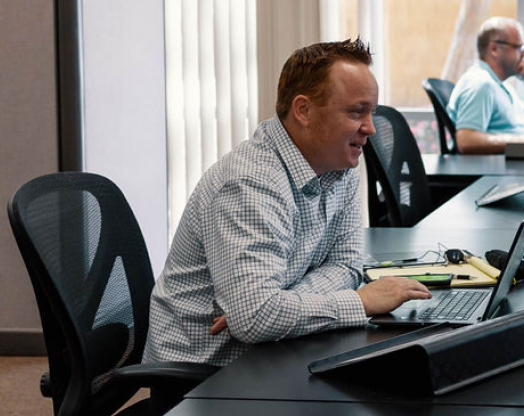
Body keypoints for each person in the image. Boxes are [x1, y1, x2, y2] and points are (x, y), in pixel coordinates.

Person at [145, 40, 432, 366]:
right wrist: (359, 303)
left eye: (372, 113)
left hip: (273, 351)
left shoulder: (340, 164)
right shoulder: (248, 185)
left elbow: (347, 265)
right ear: (303, 111)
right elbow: (255, 319)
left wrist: (283, 303)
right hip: (205, 378)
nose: (369, 128)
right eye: (356, 112)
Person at [447, 17, 524, 154]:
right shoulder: (480, 84)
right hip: (499, 172)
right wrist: (523, 141)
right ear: (494, 49)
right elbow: (466, 141)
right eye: (518, 47)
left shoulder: (500, 86)